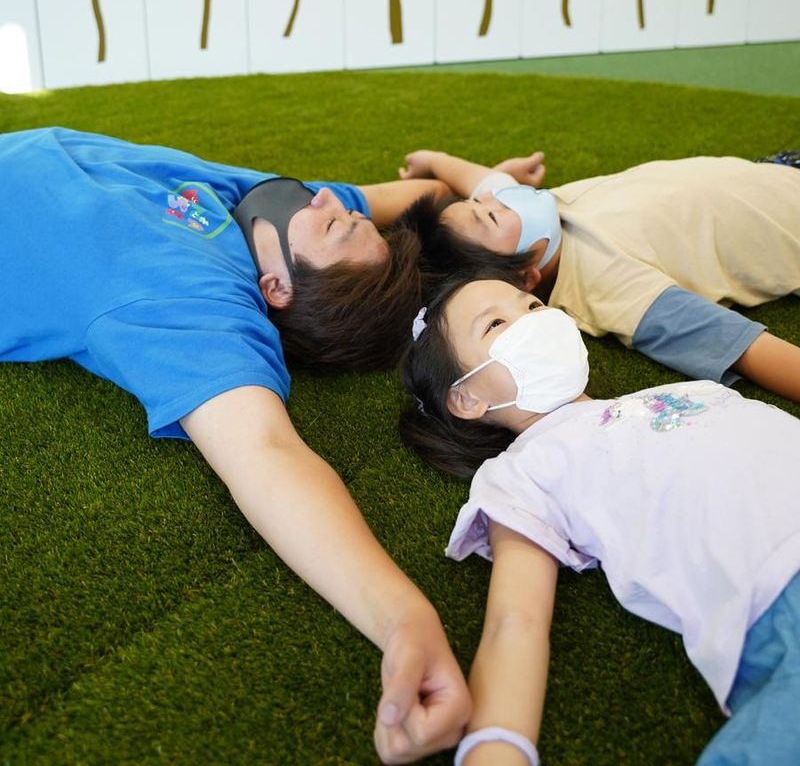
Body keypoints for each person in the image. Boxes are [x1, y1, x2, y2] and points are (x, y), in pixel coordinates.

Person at [0, 125, 470, 764]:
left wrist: (403, 620)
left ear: (279, 289)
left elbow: (266, 454)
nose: (328, 198)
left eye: (335, 224)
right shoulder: (261, 211)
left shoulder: (198, 307)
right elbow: (396, 195)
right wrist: (488, 189)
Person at [398, 276, 800, 765]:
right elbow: (516, 620)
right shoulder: (524, 471)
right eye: (496, 323)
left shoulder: (681, 392)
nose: (536, 318)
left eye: (533, 304)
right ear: (466, 399)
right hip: (779, 595)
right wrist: (495, 748)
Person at [396, 147, 800, 402]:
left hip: (776, 168)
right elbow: (740, 345)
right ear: (526, 278)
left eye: (475, 200)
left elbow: (484, 182)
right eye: (488, 213)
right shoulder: (609, 289)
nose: (491, 196)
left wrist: (433, 161)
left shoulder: (534, 221)